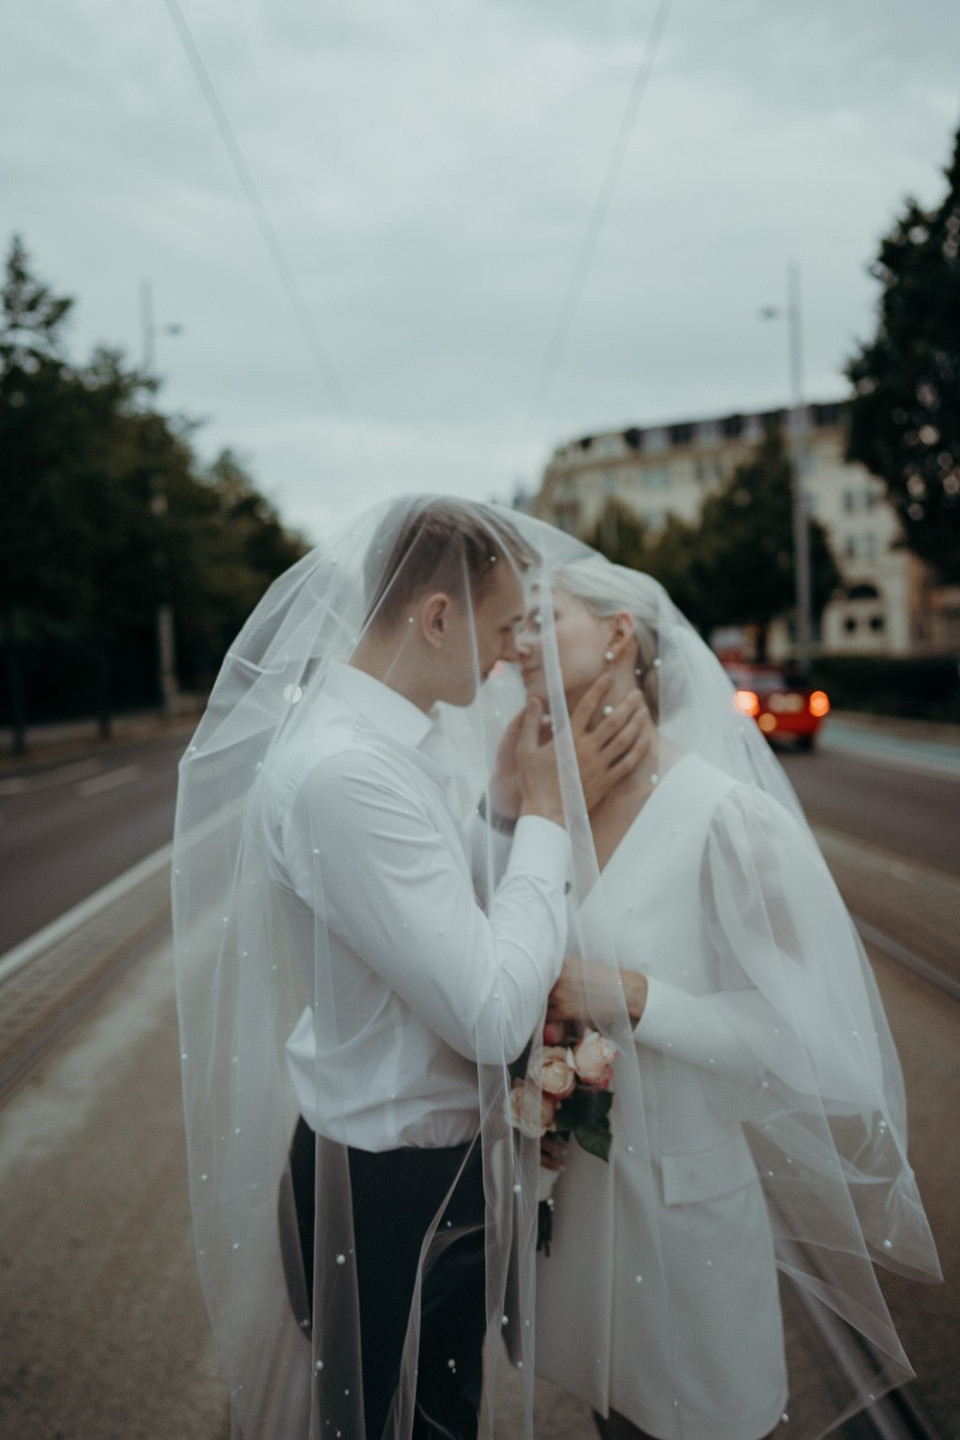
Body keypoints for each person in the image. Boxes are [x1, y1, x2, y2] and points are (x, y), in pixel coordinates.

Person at [172, 498, 650, 1440]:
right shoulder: (347, 774)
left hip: (418, 1174)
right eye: (506, 624)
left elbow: (431, 912)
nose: (515, 652)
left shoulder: (396, 748)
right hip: (391, 1196)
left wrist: (510, 811)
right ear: (436, 617)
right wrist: (552, 813)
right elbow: (485, 1010)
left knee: (434, 1416)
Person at [511, 552, 941, 1440]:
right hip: (580, 1211)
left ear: (620, 634)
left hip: (684, 1227)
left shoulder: (729, 820)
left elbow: (819, 1050)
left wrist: (633, 996)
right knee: (609, 1418)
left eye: (541, 619)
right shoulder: (551, 807)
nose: (517, 643)